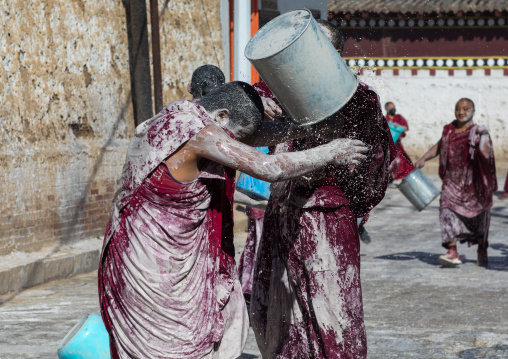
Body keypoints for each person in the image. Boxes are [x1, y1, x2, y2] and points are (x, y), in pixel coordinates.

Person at [98, 81, 369, 358]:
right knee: (173, 346)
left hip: (144, 247)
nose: (232, 142)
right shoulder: (197, 133)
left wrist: (308, 130)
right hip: (155, 264)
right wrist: (331, 152)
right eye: (233, 136)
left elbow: (246, 137)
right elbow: (268, 167)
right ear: (222, 116)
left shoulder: (179, 113)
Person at [250, 21, 395, 359]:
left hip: (328, 216)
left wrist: (344, 199)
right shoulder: (275, 91)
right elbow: (243, 118)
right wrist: (259, 105)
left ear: (335, 55)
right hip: (281, 211)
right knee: (275, 311)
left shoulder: (359, 100)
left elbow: (375, 166)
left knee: (334, 317)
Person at [415, 98, 496, 267]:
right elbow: (439, 146)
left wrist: (483, 140)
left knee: (478, 220)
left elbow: (486, 153)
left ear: (473, 111)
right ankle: (452, 251)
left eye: (465, 109)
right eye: (458, 108)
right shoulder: (449, 130)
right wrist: (423, 158)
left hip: (473, 184)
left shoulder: (478, 131)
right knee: (445, 212)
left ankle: (482, 248)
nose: (461, 112)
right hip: (451, 182)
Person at [385, 101, 414, 181]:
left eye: (394, 107)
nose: (393, 109)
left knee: (401, 160)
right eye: (391, 108)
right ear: (387, 110)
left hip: (397, 145)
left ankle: (402, 176)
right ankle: (390, 176)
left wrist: (398, 126)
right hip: (389, 145)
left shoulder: (399, 117)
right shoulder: (385, 119)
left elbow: (406, 128)